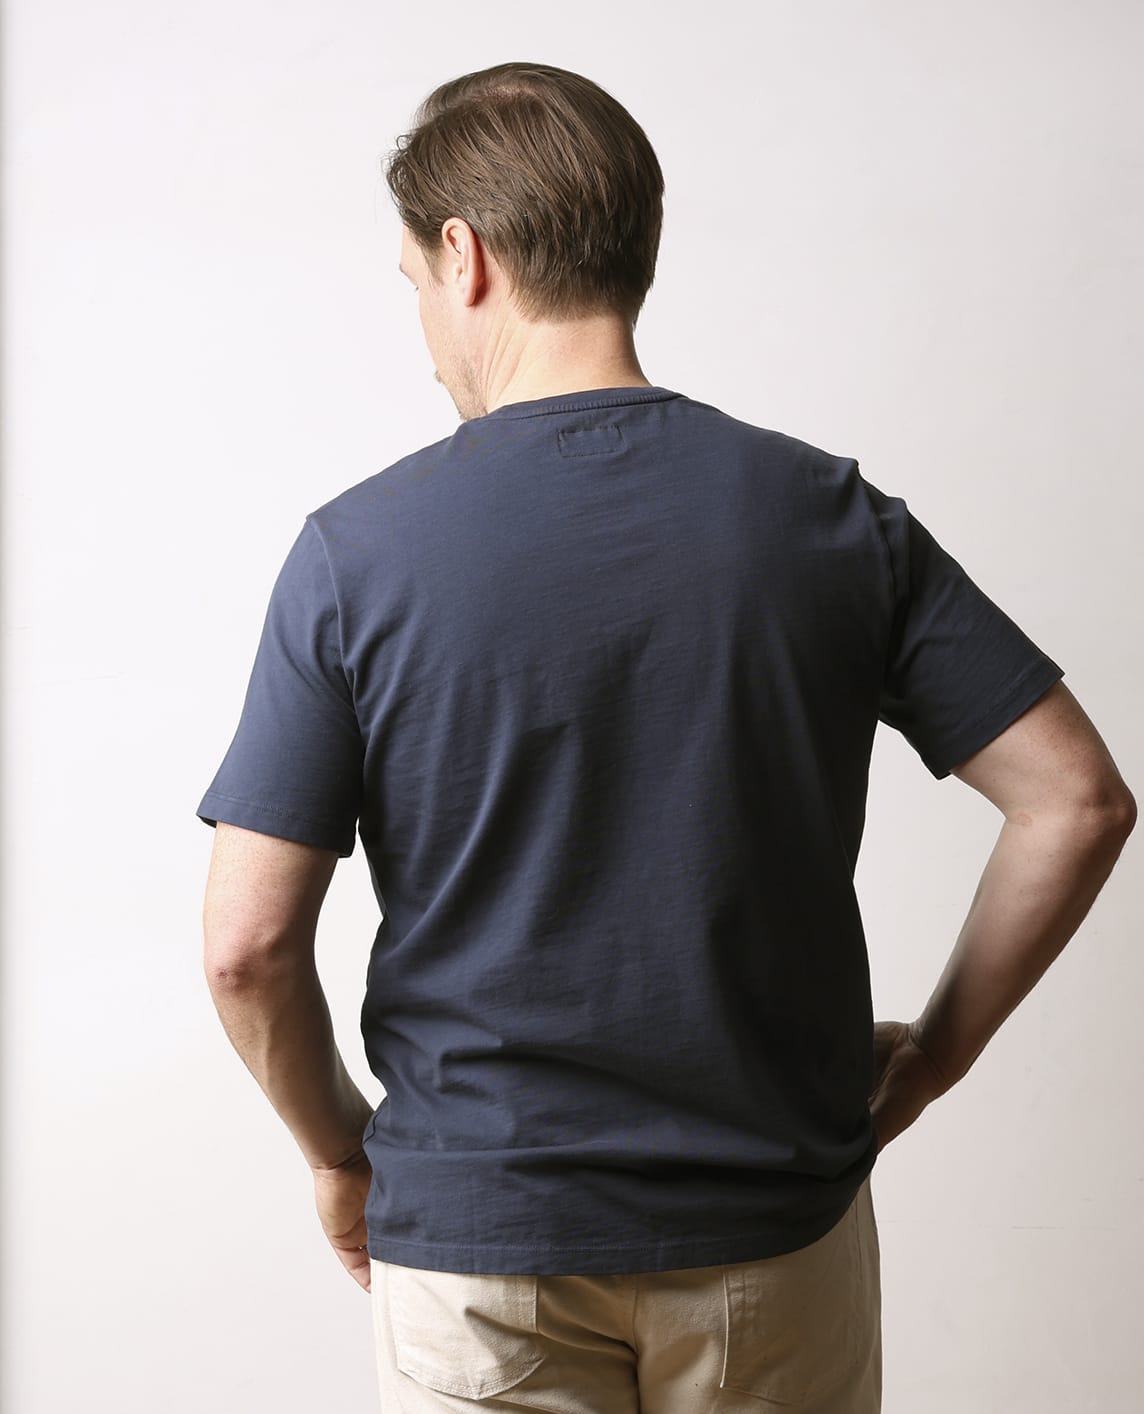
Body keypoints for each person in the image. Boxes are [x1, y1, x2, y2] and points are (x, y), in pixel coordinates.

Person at [197, 61, 1136, 1414]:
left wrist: (342, 1150)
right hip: (777, 1235)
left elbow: (246, 947)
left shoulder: (358, 555)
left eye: (410, 284)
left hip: (480, 1240)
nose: (423, 326)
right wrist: (928, 1058)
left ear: (464, 258)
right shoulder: (828, 519)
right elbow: (1078, 800)